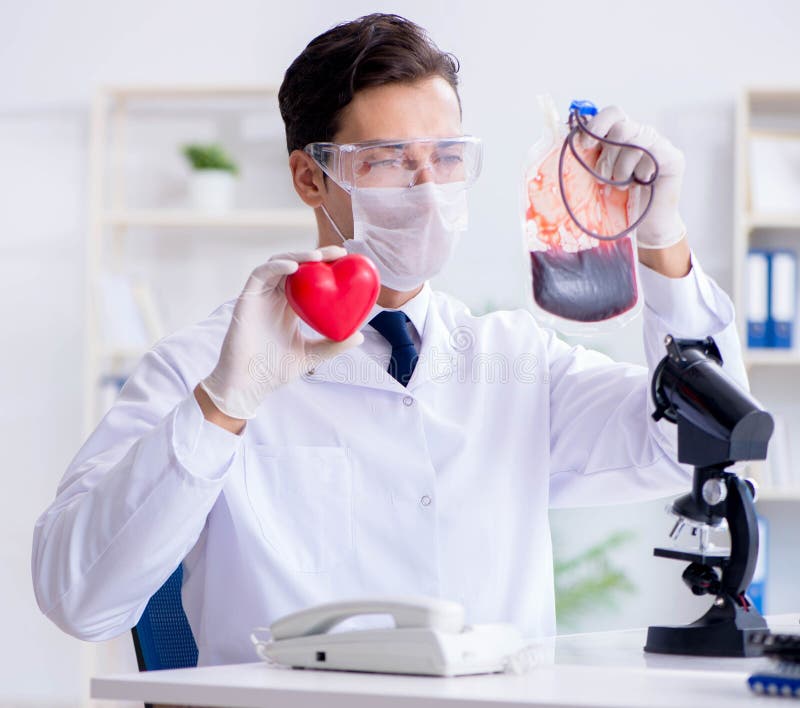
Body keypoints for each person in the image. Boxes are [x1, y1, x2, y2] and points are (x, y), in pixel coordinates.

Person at [32, 13, 746, 666]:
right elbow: (78, 600)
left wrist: (663, 242)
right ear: (311, 178)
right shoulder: (207, 366)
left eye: (446, 156)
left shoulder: (514, 360)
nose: (429, 190)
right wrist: (222, 409)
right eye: (388, 160)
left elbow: (712, 437)